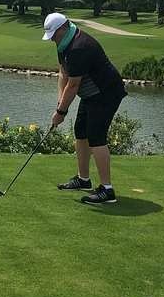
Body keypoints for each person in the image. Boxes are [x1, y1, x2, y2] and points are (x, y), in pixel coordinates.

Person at [43, 12, 128, 205]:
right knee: (81, 132)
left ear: (64, 28)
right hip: (90, 94)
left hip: (106, 93)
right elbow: (63, 73)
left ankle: (107, 190)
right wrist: (59, 106)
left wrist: (61, 112)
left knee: (96, 138)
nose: (52, 39)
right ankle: (84, 180)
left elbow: (73, 85)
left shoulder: (79, 47)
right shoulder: (63, 43)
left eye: (54, 34)